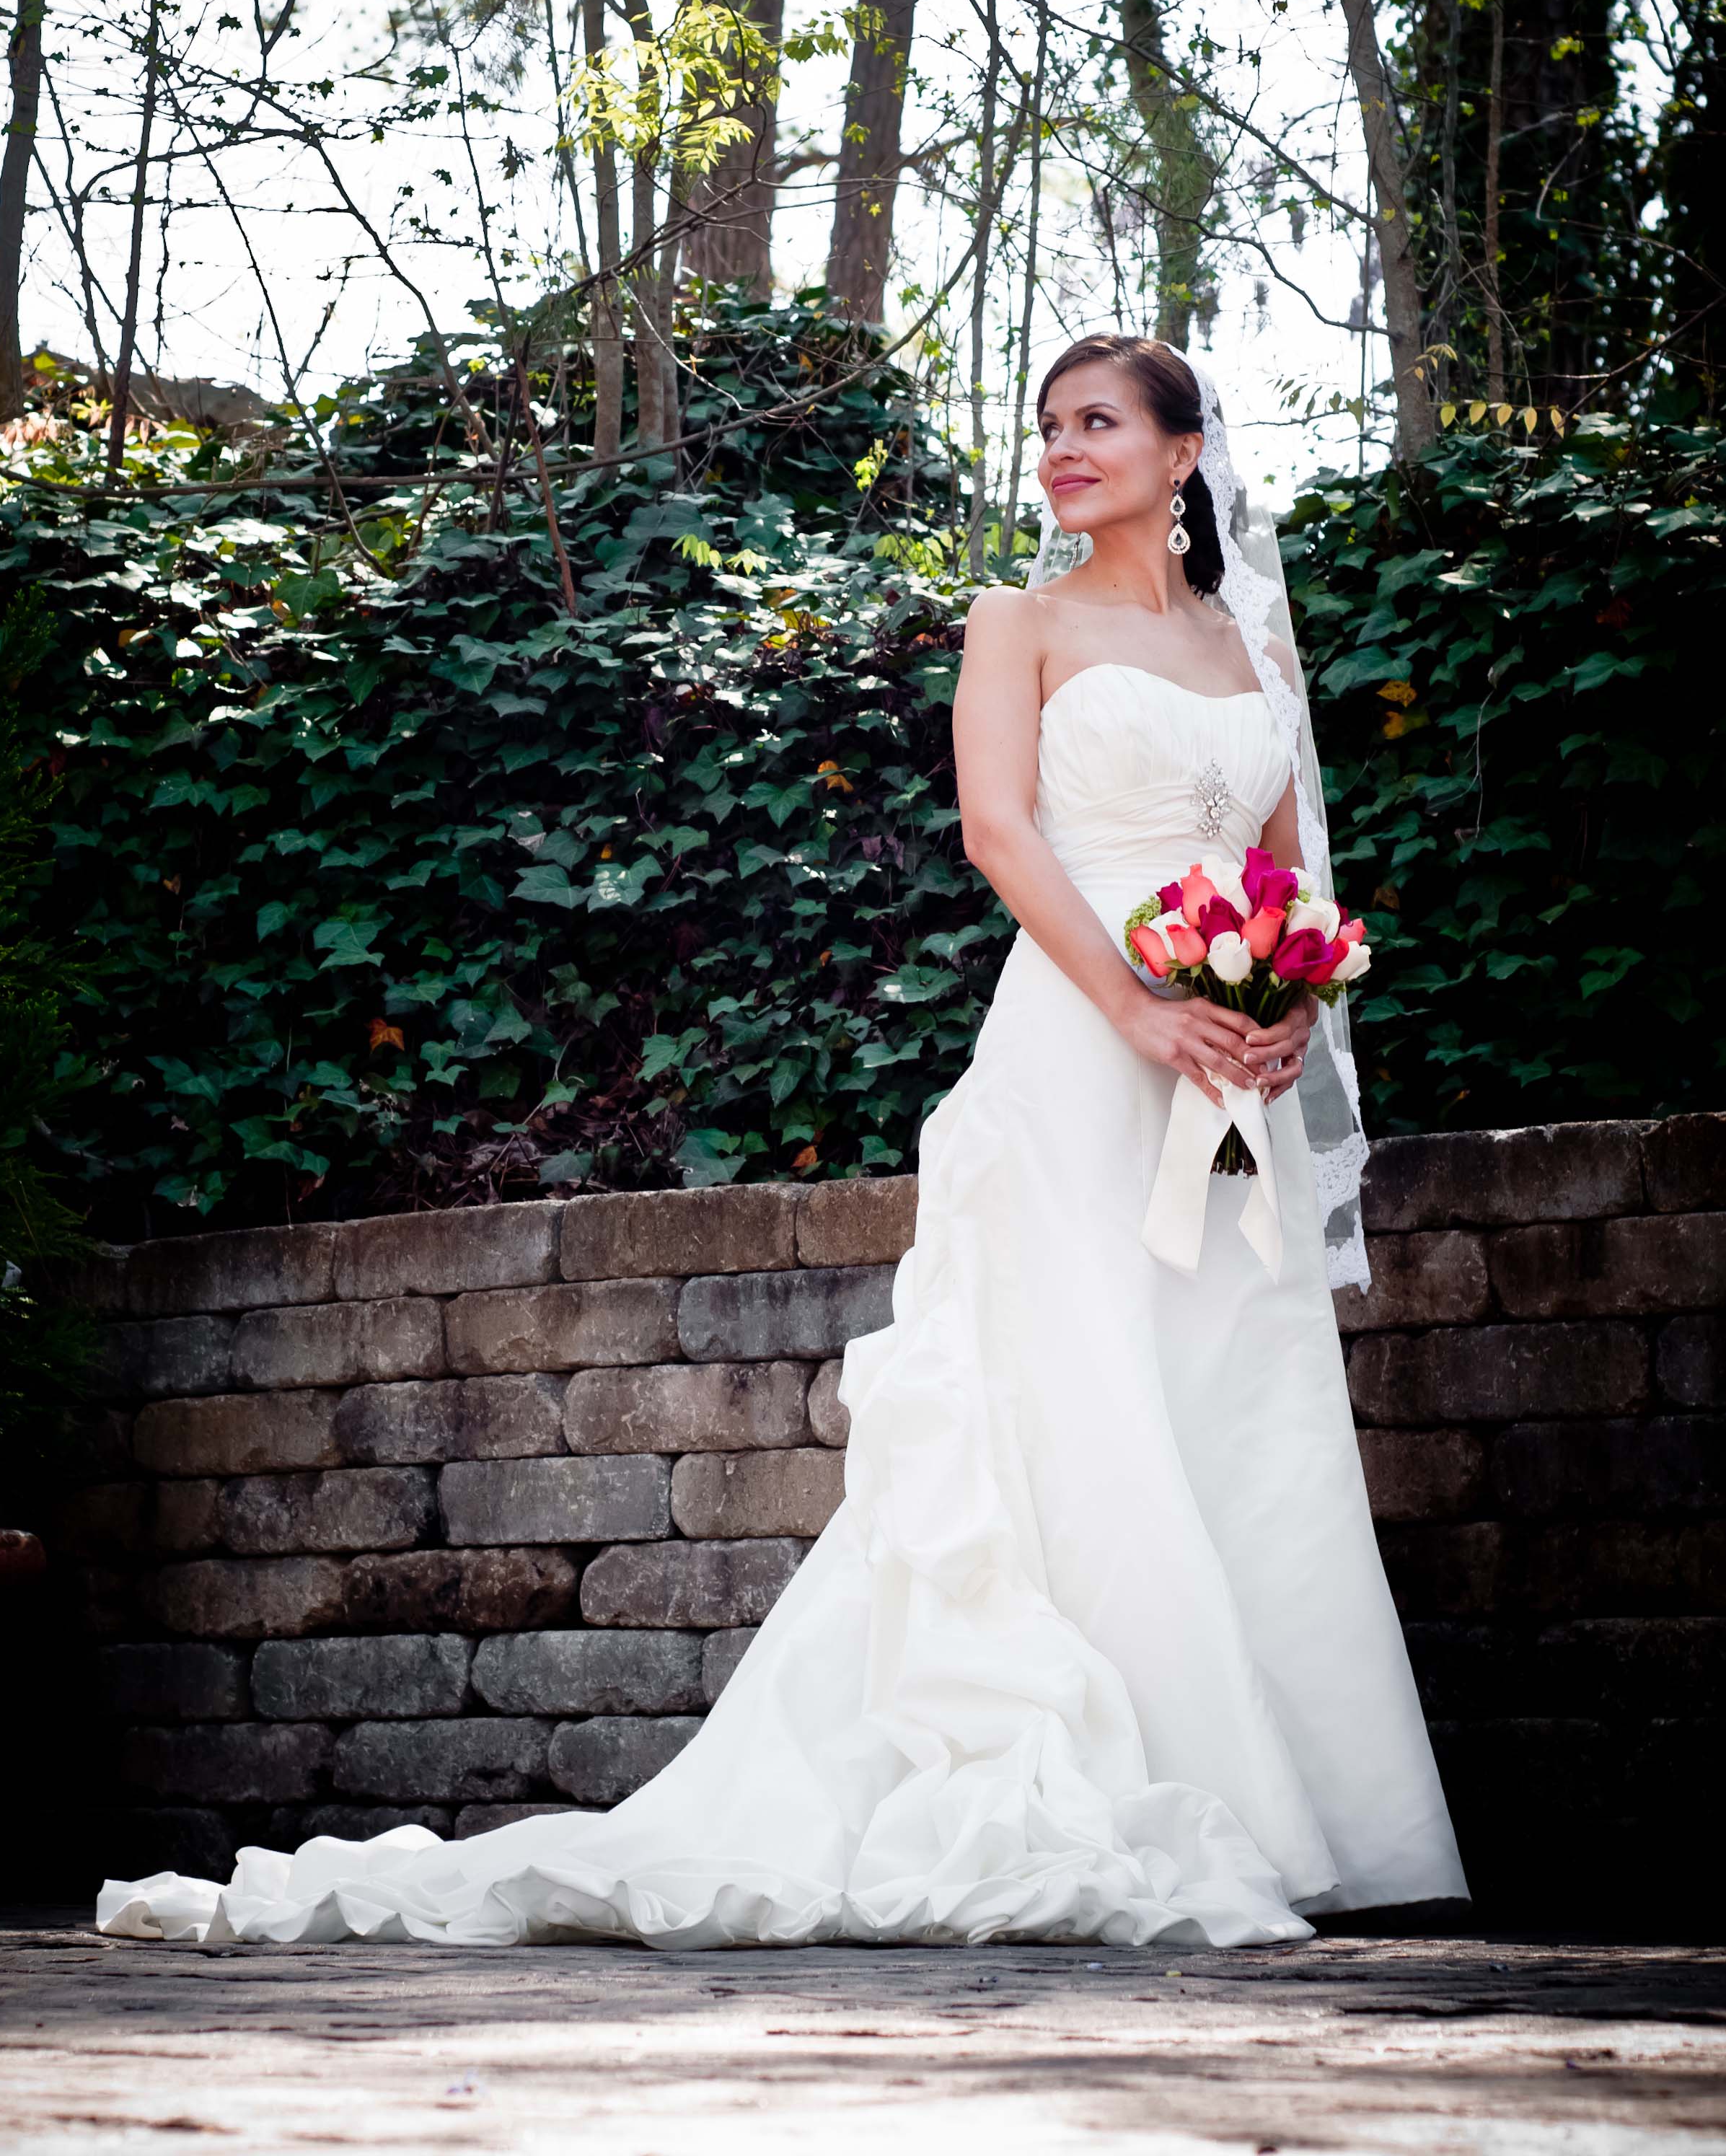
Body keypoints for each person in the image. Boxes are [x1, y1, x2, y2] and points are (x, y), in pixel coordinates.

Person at [98, 335, 1466, 1951]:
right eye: (1046, 429)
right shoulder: (1018, 622)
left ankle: (1299, 1809)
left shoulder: (1249, 645)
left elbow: (1289, 863)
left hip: (1221, 1074)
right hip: (1078, 1055)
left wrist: (1280, 1006)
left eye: (1097, 425)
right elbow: (998, 832)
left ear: (1184, 454)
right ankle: (1090, 1777)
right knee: (1072, 1395)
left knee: (1230, 1392)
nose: (1061, 453)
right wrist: (1141, 1012)